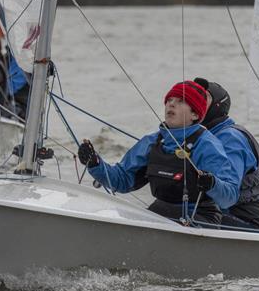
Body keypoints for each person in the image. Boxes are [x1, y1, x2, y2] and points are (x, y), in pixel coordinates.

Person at [77, 80, 240, 225]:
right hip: (161, 212)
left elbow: (229, 197)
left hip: (199, 218)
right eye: (169, 100)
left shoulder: (207, 144)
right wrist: (95, 164)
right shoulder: (152, 142)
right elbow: (122, 180)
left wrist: (212, 183)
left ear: (195, 114)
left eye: (181, 101)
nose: (171, 104)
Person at [193, 77, 259, 231]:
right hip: (218, 214)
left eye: (203, 98)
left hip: (251, 222)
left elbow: (227, 195)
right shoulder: (196, 137)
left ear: (216, 106)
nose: (195, 101)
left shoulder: (230, 138)